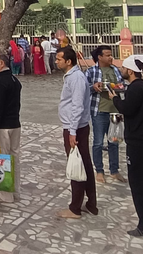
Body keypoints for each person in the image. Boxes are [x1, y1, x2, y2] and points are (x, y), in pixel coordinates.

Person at [109, 55, 143, 236]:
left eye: (124, 68)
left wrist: (115, 99)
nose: (122, 71)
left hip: (139, 143)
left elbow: (127, 108)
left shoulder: (135, 89)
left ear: (130, 71)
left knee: (140, 184)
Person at [56, 46, 96, 219]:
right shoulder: (72, 77)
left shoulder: (76, 77)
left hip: (76, 128)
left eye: (59, 59)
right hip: (74, 127)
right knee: (84, 163)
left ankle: (75, 208)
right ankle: (90, 203)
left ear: (68, 61)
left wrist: (72, 131)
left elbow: (77, 106)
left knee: (77, 165)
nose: (56, 61)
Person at [85, 45, 125, 183]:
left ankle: (114, 170)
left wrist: (117, 87)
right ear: (100, 57)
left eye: (111, 55)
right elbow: (84, 89)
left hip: (115, 111)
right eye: (107, 55)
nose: (110, 57)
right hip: (99, 111)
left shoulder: (116, 70)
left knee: (114, 142)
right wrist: (93, 87)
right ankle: (99, 171)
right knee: (98, 142)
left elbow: (122, 85)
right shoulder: (91, 71)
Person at [0, 51, 22, 202]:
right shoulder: (14, 80)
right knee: (14, 157)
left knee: (3, 158)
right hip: (15, 124)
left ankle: (6, 194)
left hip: (4, 126)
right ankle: (15, 190)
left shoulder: (1, 83)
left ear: (2, 63)